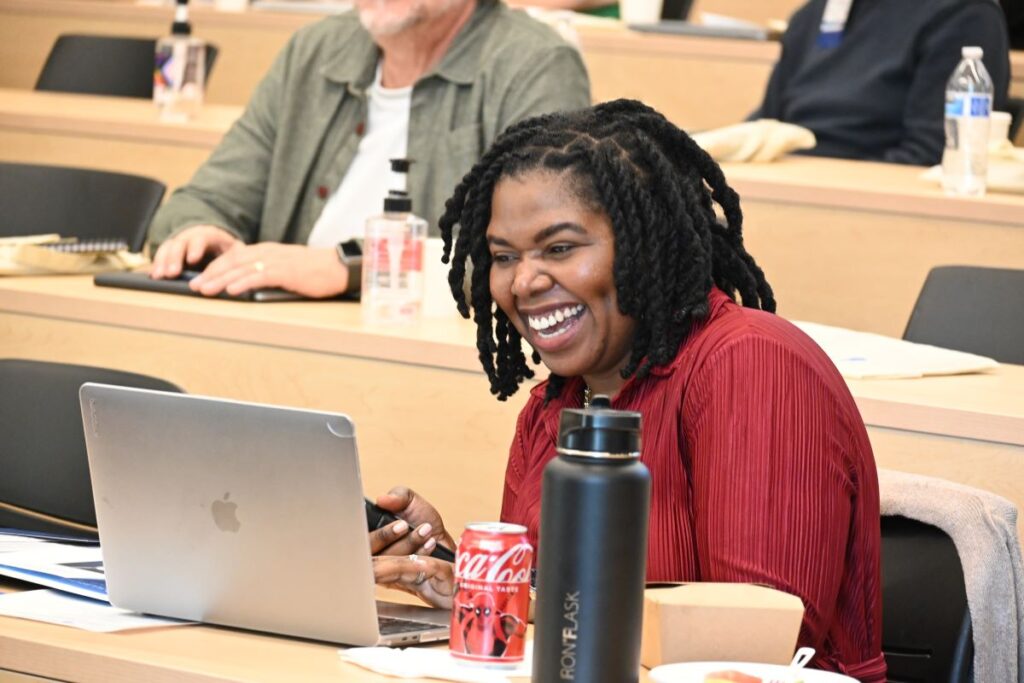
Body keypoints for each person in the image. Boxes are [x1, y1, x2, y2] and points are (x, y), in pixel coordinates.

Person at [369, 100, 886, 680]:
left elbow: (759, 638)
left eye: (560, 248)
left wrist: (533, 602)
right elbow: (558, 620)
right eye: (503, 257)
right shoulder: (554, 405)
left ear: (647, 242)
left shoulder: (751, 364)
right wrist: (471, 578)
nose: (524, 281)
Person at [147, 0, 590, 299]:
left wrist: (349, 267)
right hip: (284, 330)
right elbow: (204, 198)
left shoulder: (535, 65)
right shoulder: (314, 51)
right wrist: (196, 233)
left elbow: (538, 254)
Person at [753, 0, 1010, 165]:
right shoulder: (812, 15)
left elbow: (933, 157)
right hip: (786, 188)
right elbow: (762, 126)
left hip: (867, 207)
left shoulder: (964, 14)